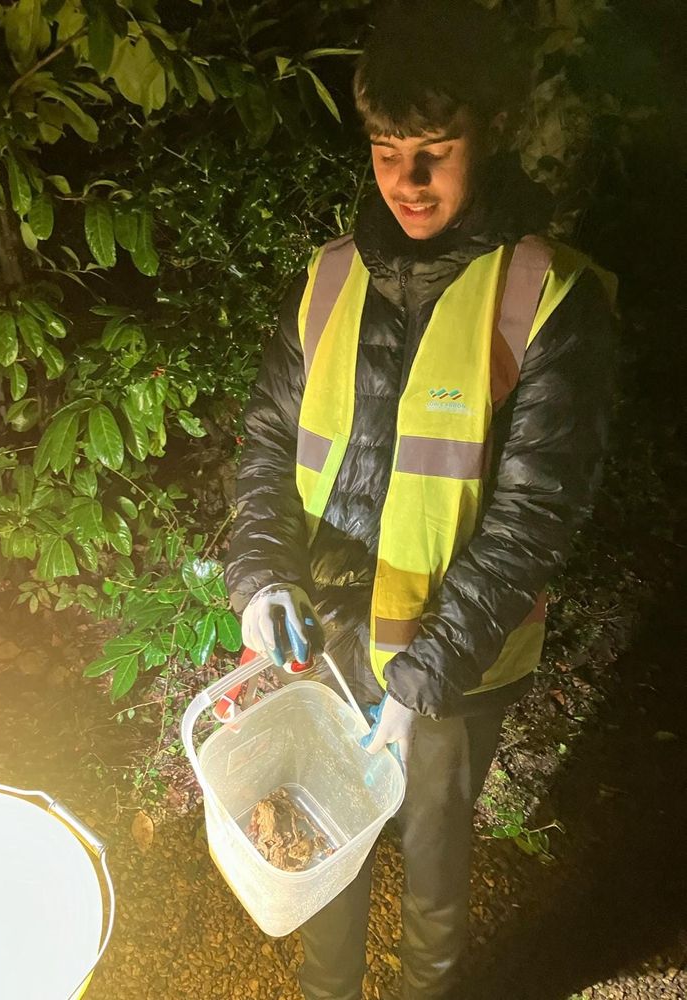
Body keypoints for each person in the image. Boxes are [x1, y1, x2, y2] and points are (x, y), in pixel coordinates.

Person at [225, 1, 617, 997]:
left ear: (486, 135)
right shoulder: (325, 282)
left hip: (454, 660)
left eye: (436, 149)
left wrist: (425, 671)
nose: (408, 180)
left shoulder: (546, 295)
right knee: (319, 839)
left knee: (436, 871)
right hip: (322, 643)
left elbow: (536, 517)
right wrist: (260, 574)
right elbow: (267, 447)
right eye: (388, 149)